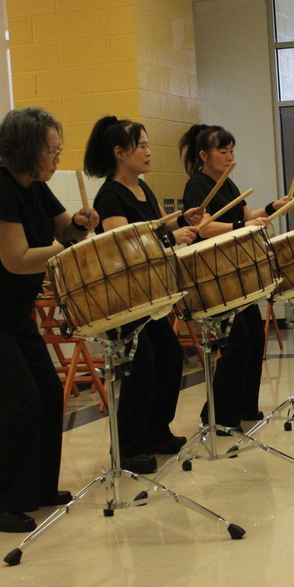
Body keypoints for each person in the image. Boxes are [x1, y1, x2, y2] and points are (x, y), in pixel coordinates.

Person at [0, 107, 99, 533]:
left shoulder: (35, 185)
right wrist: (70, 252)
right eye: (51, 150)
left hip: (11, 311)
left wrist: (81, 226)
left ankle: (35, 488)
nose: (56, 157)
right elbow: (15, 260)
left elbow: (65, 228)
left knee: (48, 393)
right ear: (27, 150)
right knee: (18, 400)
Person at [84, 116, 204, 473]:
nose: (150, 152)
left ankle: (155, 431)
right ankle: (127, 446)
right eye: (143, 147)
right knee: (142, 365)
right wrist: (170, 237)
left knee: (168, 357)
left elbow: (153, 226)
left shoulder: (142, 188)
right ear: (120, 153)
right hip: (123, 296)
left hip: (148, 293)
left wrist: (181, 221)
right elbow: (127, 245)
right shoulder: (109, 195)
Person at [180, 124, 289, 429]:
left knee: (254, 336)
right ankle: (217, 416)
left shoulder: (227, 182)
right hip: (213, 275)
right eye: (222, 151)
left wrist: (270, 208)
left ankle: (244, 406)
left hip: (236, 272)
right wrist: (239, 228)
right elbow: (202, 227)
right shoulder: (198, 185)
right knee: (237, 340)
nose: (229, 157)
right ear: (204, 155)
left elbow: (246, 215)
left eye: (231, 151)